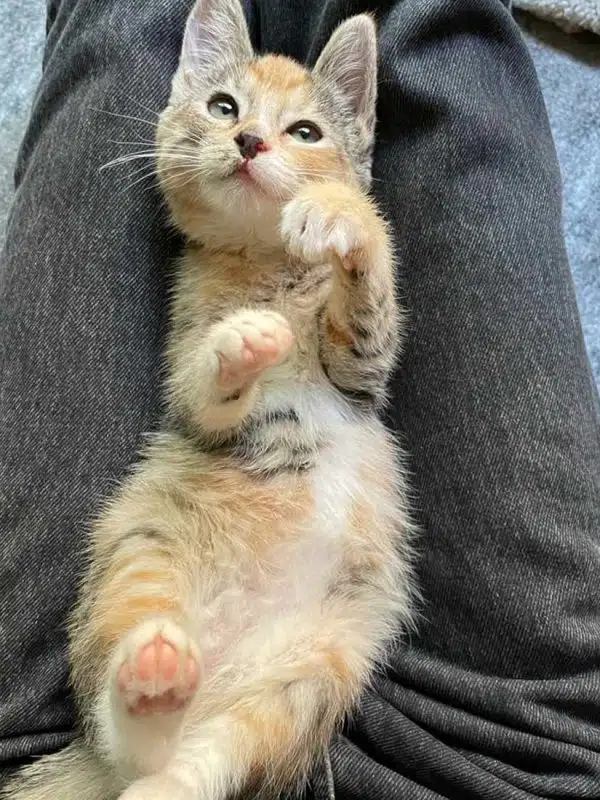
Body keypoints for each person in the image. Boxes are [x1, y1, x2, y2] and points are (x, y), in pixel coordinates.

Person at [1, 0, 599, 797]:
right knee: (433, 22)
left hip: (244, 586)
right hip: (502, 758)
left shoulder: (281, 258)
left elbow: (358, 365)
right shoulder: (209, 266)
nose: (254, 138)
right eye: (224, 109)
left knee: (166, 577)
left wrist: (352, 251)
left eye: (305, 130)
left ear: (352, 152)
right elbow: (236, 405)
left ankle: (158, 744)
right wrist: (352, 260)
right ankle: (160, 750)